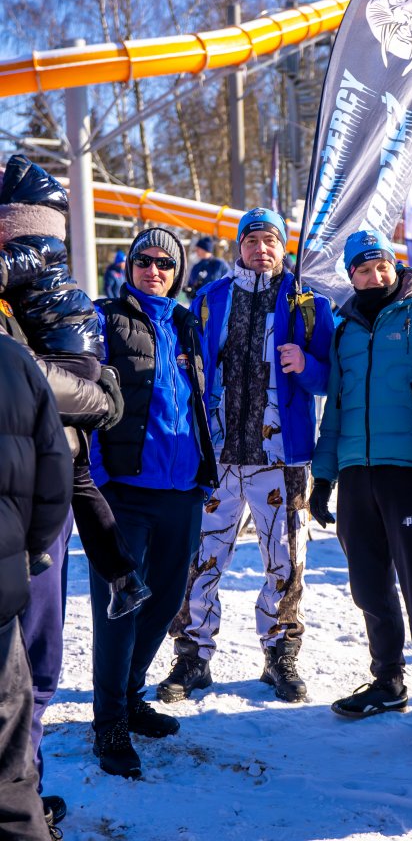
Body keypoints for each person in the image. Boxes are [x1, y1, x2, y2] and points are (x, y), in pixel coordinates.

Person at [158, 207, 333, 704]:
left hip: (281, 456)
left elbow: (330, 378)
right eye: (252, 240)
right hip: (217, 456)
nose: (261, 249)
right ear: (239, 247)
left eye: (270, 240)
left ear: (283, 246)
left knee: (286, 562)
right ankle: (192, 655)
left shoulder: (307, 303)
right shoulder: (211, 299)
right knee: (200, 559)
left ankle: (280, 653)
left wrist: (306, 364)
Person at [309, 230, 412, 750]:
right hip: (357, 473)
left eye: (382, 266)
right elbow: (336, 409)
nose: (375, 276)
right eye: (363, 269)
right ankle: (388, 682)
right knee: (369, 587)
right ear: (351, 276)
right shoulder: (345, 330)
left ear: (394, 266)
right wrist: (324, 476)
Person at [89, 226, 217, 778]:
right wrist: (95, 478)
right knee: (119, 609)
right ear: (130, 265)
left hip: (182, 492)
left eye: (166, 263)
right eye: (145, 260)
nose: (154, 270)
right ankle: (109, 722)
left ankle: (131, 695)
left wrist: (204, 475)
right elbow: (86, 397)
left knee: (163, 604)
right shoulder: (104, 318)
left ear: (178, 271)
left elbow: (201, 400)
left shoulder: (188, 324)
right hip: (124, 494)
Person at [0, 154, 148, 618]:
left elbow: (4, 268)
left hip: (64, 361)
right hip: (78, 360)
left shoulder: (36, 246)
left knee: (55, 463)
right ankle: (124, 576)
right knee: (78, 477)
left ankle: (35, 547)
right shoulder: (51, 253)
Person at [0, 330, 73, 841]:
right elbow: (55, 475)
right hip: (4, 588)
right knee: (9, 759)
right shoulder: (12, 357)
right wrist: (26, 551)